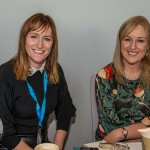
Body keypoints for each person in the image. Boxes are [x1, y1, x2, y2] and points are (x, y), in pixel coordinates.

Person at [0, 13, 76, 150]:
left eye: (46, 38)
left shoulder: (55, 71)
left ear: (53, 44)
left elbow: (65, 113)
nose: (40, 44)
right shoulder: (5, 74)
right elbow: (6, 134)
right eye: (34, 36)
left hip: (42, 144)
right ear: (24, 39)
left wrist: (56, 147)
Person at [95, 16, 150, 143]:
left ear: (148, 46)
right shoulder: (105, 76)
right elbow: (111, 130)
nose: (133, 46)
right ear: (120, 43)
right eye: (127, 39)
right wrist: (142, 133)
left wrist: (122, 133)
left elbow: (117, 133)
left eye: (140, 41)